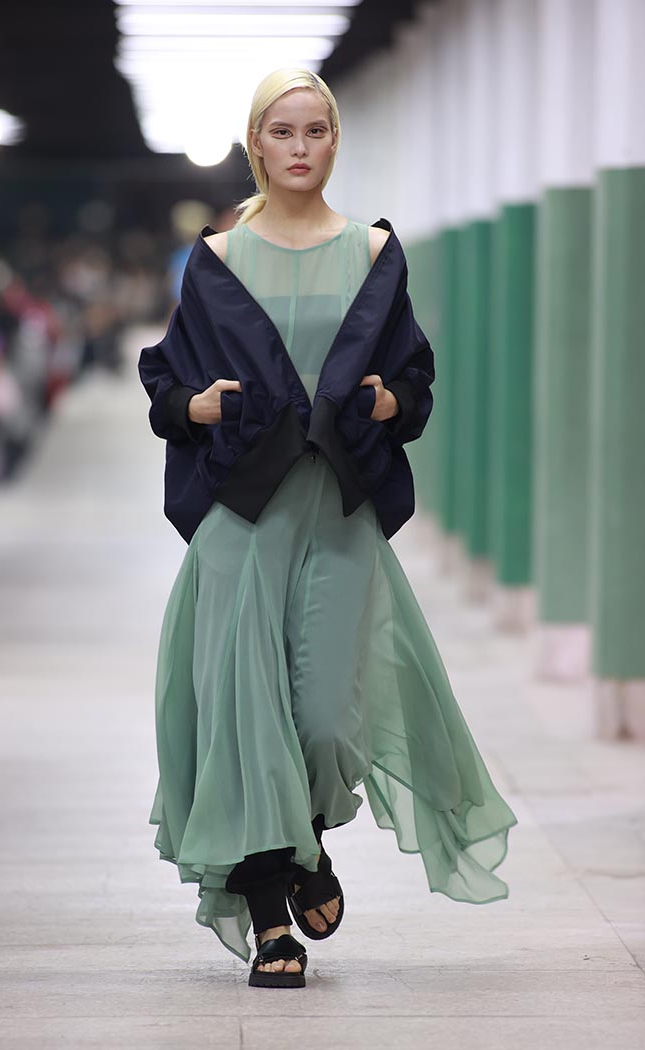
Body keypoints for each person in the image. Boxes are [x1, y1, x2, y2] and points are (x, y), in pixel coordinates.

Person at [138, 67, 518, 990]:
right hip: (244, 520)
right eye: (283, 132)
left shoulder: (374, 254)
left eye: (315, 131)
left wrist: (391, 401)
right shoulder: (218, 260)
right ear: (256, 145)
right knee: (246, 717)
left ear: (334, 142)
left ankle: (303, 842)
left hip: (338, 513)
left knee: (322, 718)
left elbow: (414, 378)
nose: (300, 147)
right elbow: (167, 382)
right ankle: (272, 916)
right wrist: (196, 408)